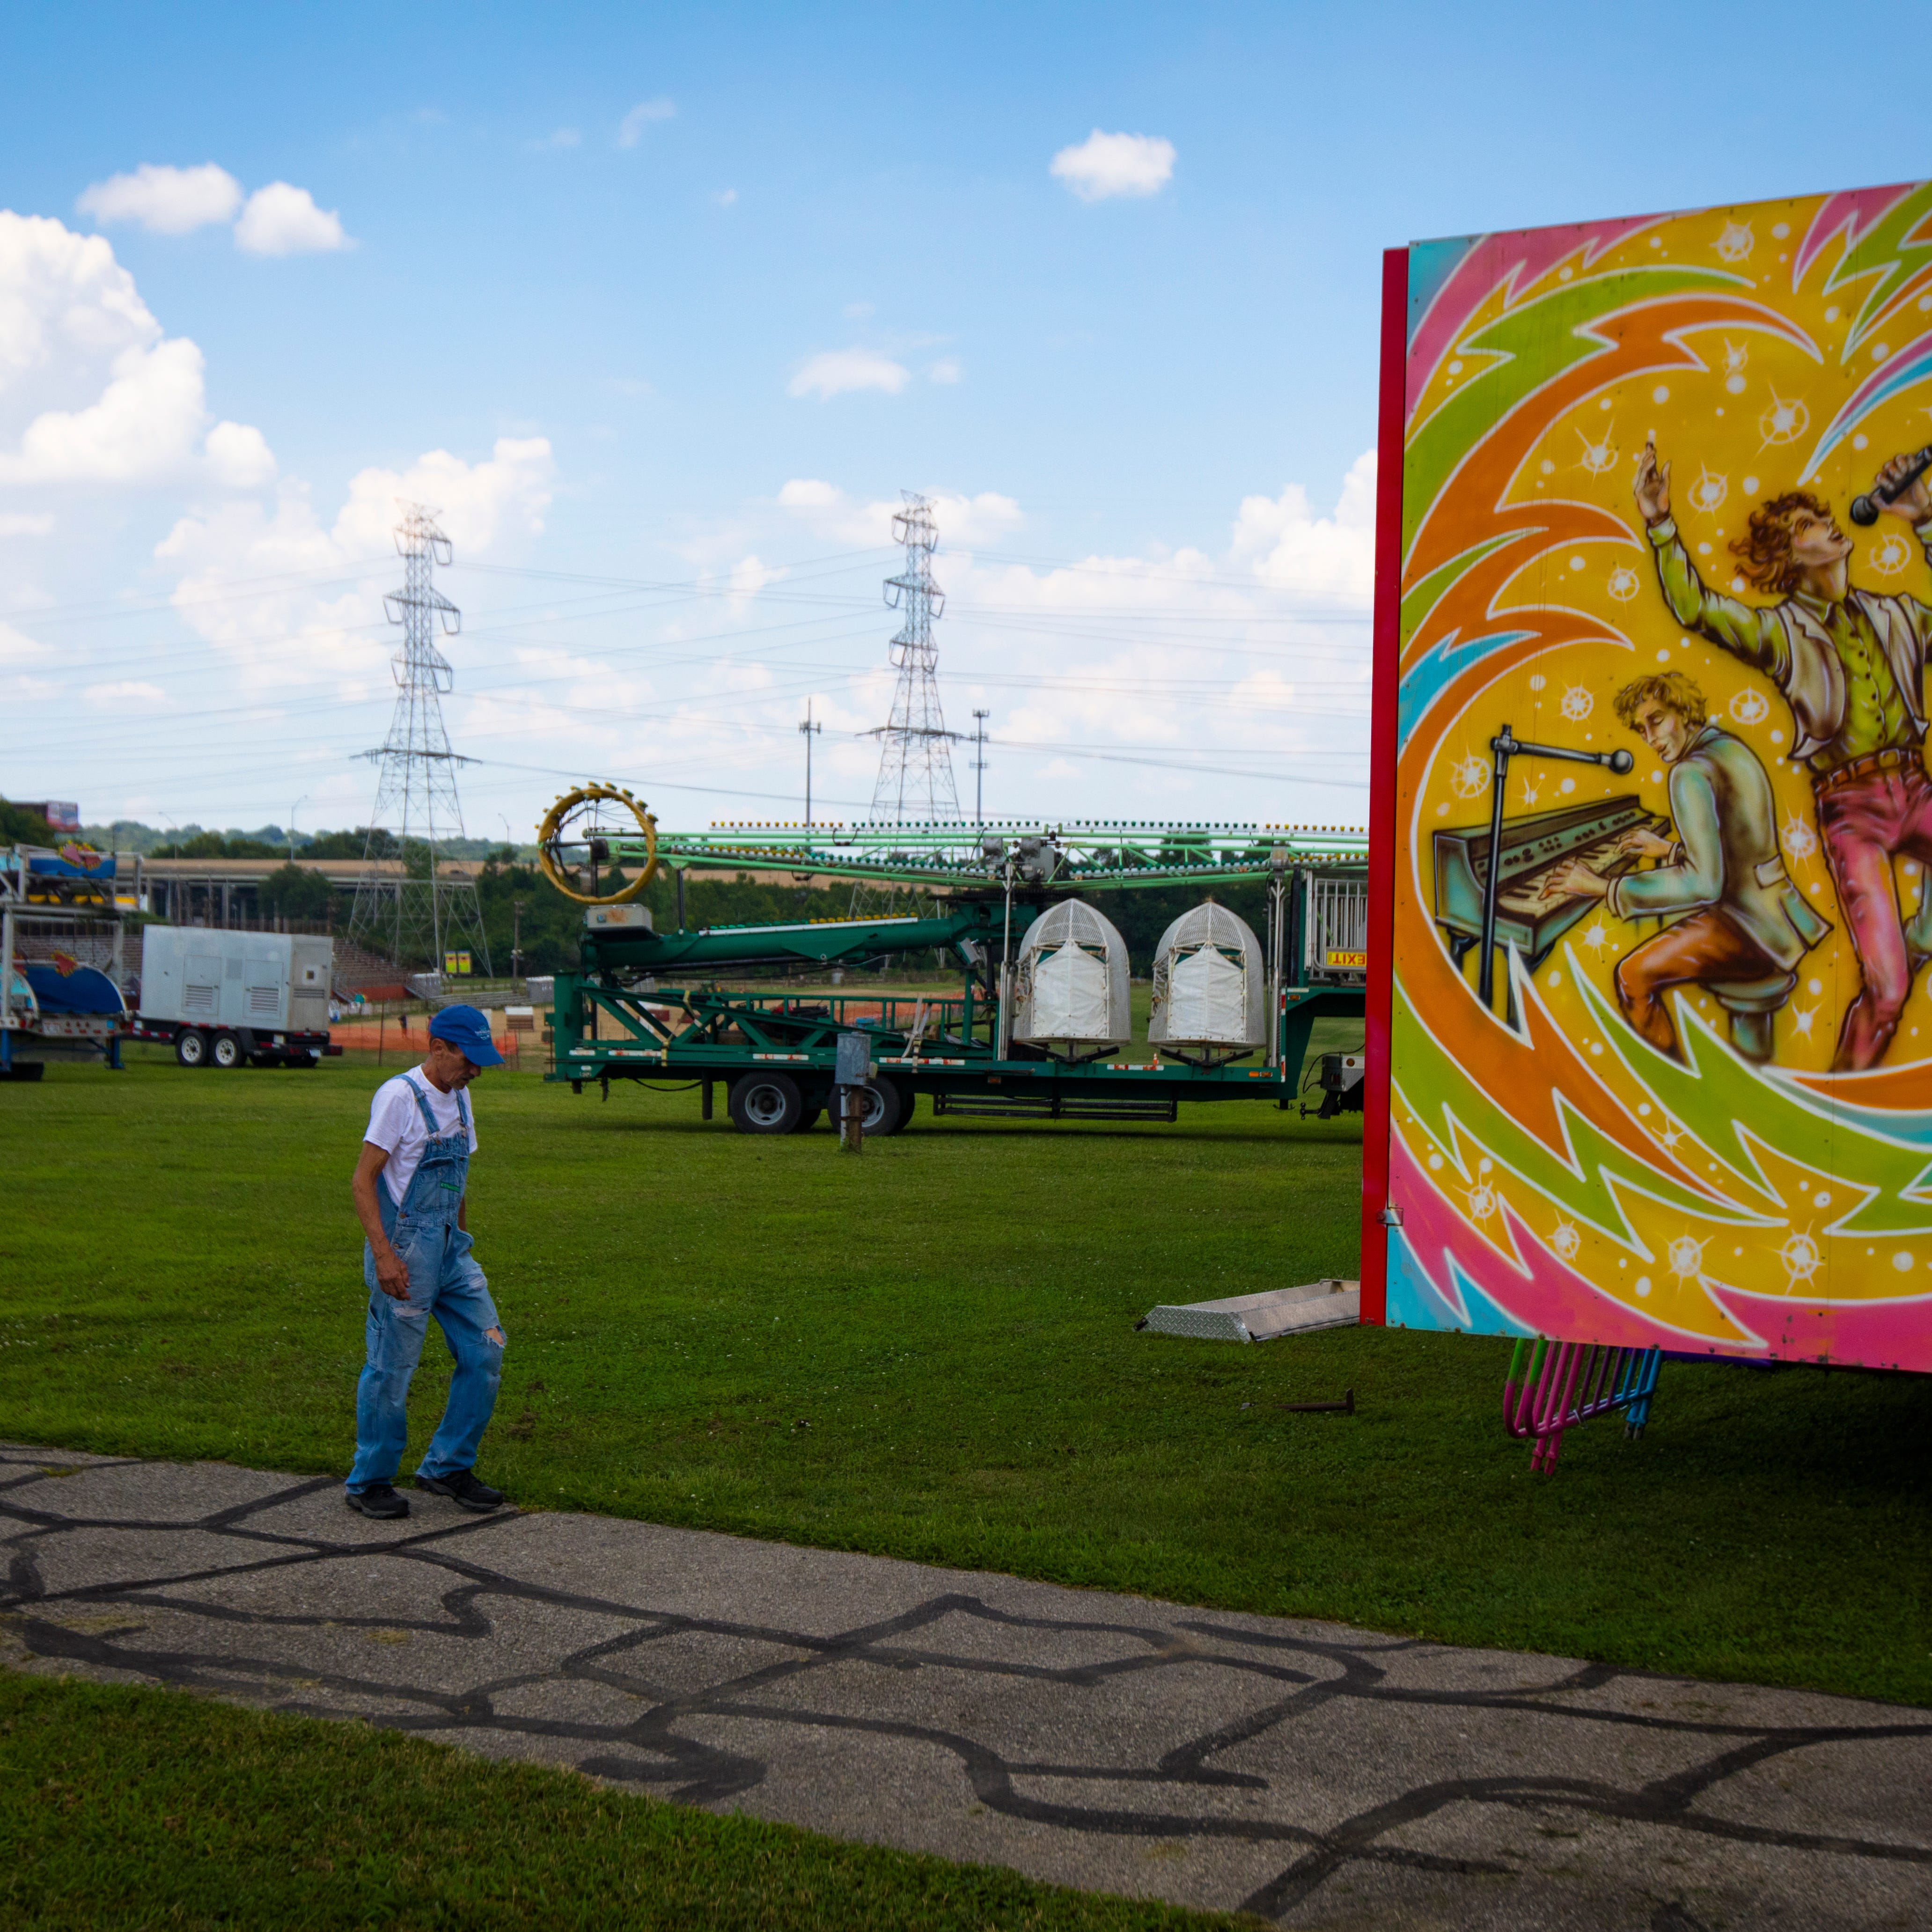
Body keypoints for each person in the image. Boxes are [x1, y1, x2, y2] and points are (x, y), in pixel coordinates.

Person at [1633, 434, 1932, 1068]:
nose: (1825, 522)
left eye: (1820, 516)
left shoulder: (1896, 613)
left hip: (1915, 788)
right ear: (1787, 556)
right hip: (1850, 808)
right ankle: (1849, 1099)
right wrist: (1659, 524)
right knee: (1887, 989)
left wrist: (1925, 520)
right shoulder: (1780, 631)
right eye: (1806, 524)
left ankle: (1925, 928)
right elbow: (1696, 610)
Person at [1550, 670, 1828, 1062]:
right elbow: (1737, 845)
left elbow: (1703, 884)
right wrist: (1668, 850)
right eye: (1640, 730)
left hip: (1748, 928)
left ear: (1683, 711)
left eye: (1657, 719)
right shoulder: (1729, 748)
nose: (1650, 739)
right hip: (1779, 913)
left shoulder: (1688, 773)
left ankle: (1676, 1083)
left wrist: (1604, 887)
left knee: (1632, 976)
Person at [345, 1004, 508, 1520]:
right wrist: (385, 1255)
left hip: (450, 1250)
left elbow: (457, 1178)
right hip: (406, 1254)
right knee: (391, 1369)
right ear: (437, 1047)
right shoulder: (399, 1096)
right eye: (468, 1058)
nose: (475, 1070)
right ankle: (369, 1479)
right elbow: (362, 1180)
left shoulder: (461, 1096)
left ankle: (447, 1465)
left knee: (485, 1352)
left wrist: (459, 1241)